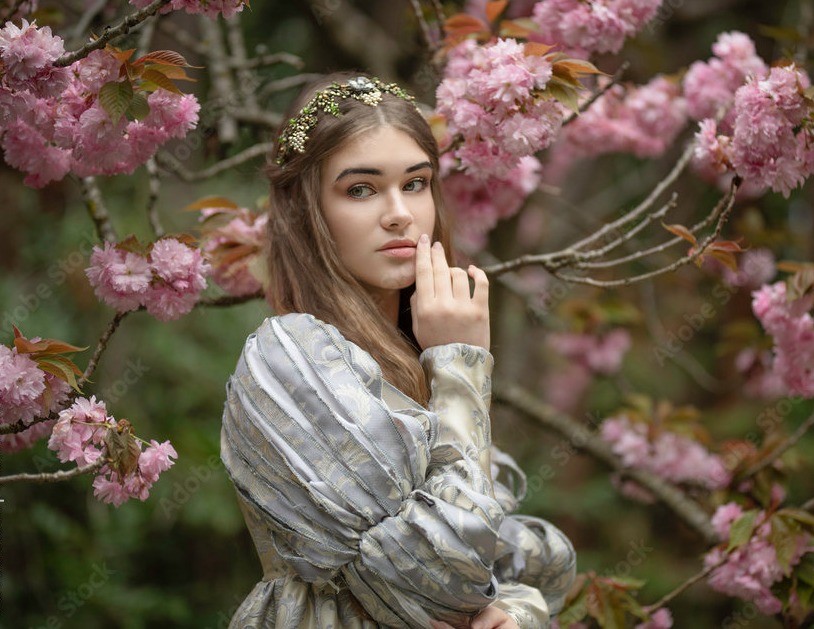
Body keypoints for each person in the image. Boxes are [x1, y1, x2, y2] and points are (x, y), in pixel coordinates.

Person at [220, 72, 576, 629]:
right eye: (360, 189)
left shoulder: (422, 354)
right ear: (304, 208)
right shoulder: (287, 356)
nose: (399, 213)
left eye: (415, 184)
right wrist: (461, 361)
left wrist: (514, 614)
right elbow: (448, 576)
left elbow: (506, 561)